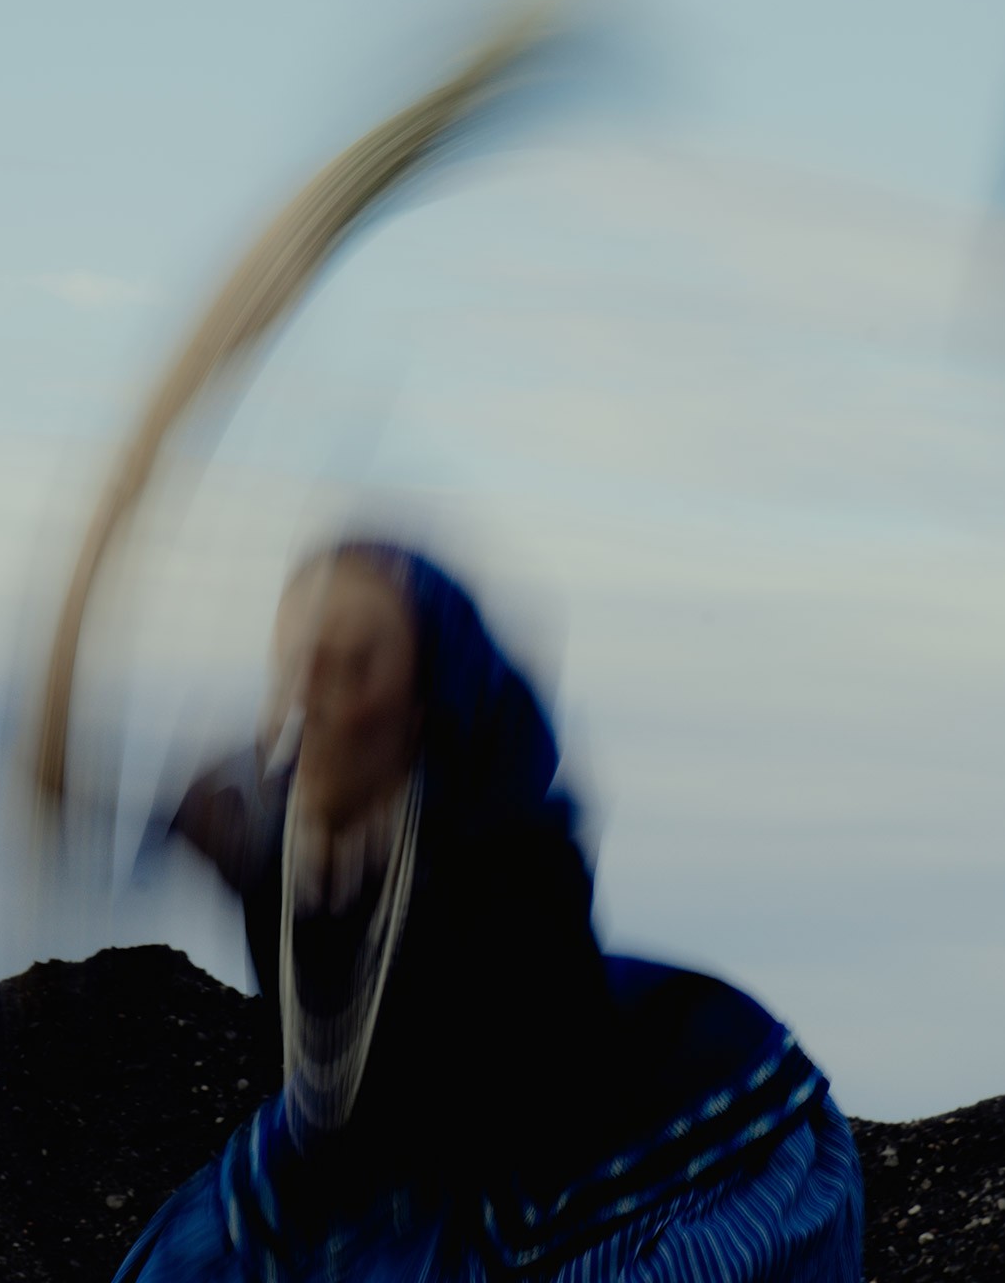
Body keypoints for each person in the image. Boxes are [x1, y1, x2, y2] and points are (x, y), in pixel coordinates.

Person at [115, 540, 863, 1283]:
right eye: (299, 660)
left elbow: (508, 1076)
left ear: (417, 711)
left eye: (353, 666)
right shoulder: (273, 821)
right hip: (388, 1158)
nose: (312, 695)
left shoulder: (508, 859)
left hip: (566, 1147)